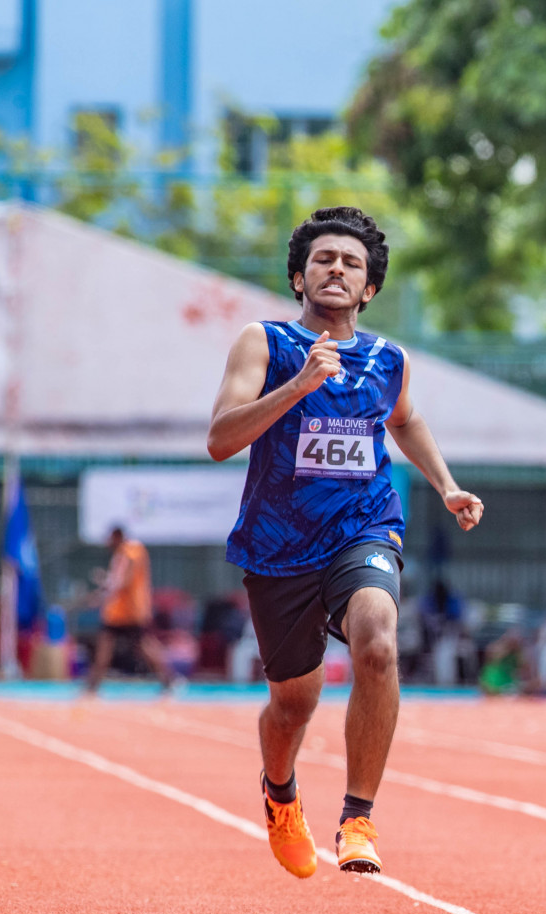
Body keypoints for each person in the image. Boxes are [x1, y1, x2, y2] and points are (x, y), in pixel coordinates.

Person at [206, 206, 484, 879]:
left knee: (379, 641)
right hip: (278, 547)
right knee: (293, 704)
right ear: (300, 278)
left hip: (364, 528)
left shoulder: (389, 359)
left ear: (370, 289)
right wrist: (299, 384)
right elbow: (220, 439)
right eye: (323, 260)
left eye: (351, 263)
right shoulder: (264, 343)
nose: (336, 269)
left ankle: (358, 816)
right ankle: (280, 792)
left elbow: (406, 420)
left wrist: (446, 485)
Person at [83, 526, 179, 693]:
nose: (108, 542)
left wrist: (102, 593)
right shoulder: (130, 551)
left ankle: (169, 679)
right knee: (110, 646)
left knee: (140, 646)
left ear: (117, 536)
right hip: (122, 612)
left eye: (110, 538)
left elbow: (122, 581)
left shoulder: (129, 552)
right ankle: (93, 685)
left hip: (126, 612)